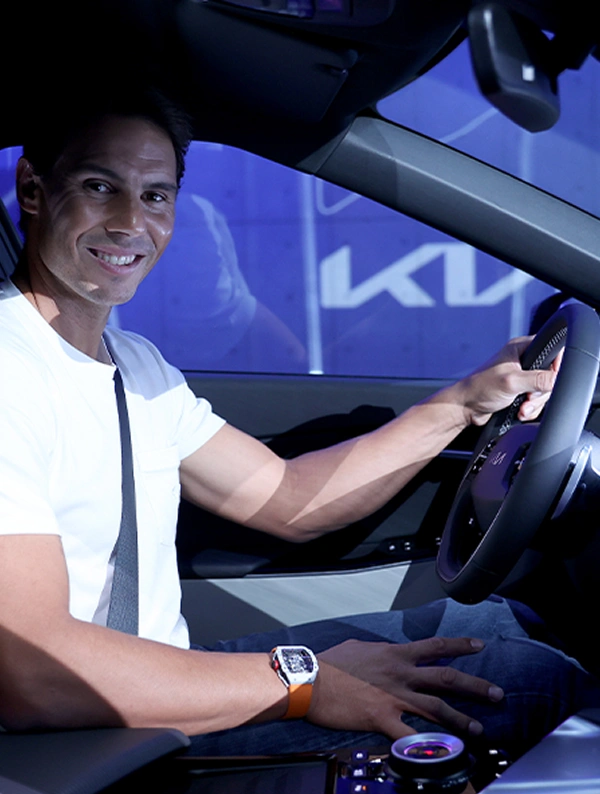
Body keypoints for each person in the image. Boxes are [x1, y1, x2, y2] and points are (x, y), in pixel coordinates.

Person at [0, 91, 597, 759]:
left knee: (486, 625)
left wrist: (464, 402)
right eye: (98, 186)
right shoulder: (7, 368)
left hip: (156, 677)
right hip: (86, 740)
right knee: (527, 684)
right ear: (32, 189)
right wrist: (303, 681)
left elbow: (288, 499)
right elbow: (35, 676)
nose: (130, 223)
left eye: (156, 197)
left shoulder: (133, 364)